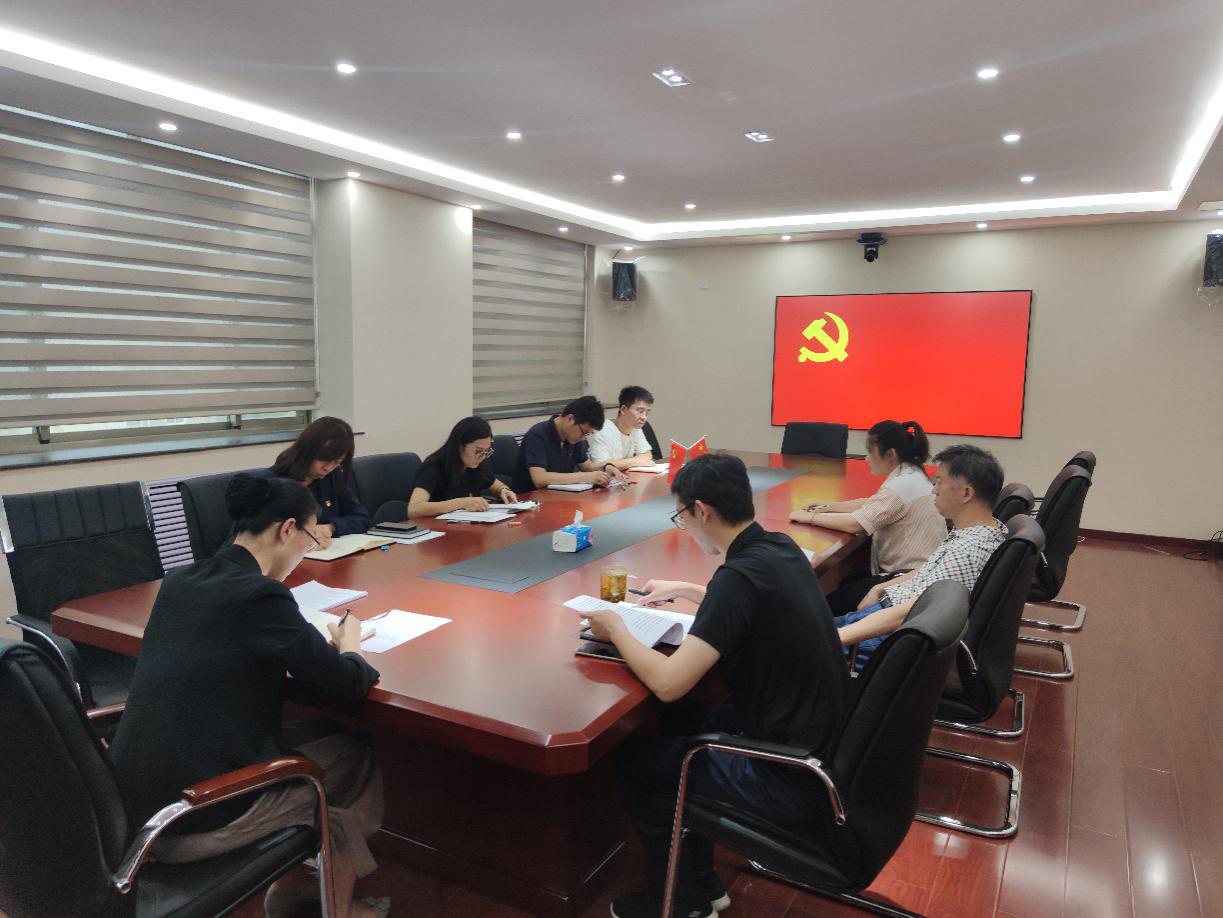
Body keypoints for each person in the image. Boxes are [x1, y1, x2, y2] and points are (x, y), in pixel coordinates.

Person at [580, 453, 849, 918]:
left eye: (681, 516)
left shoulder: (737, 578)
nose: (683, 526)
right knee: (679, 722)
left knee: (636, 761)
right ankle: (702, 882)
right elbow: (755, 607)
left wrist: (616, 628)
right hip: (819, 736)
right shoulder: (778, 547)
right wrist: (688, 590)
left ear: (701, 510)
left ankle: (683, 902)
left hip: (787, 770)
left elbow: (669, 683)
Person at [109, 474, 387, 918]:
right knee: (354, 757)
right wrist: (350, 641)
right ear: (288, 529)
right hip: (194, 815)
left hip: (132, 809)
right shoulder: (261, 595)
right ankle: (334, 905)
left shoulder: (180, 580)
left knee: (323, 735)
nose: (307, 551)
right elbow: (348, 683)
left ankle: (297, 887)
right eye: (311, 539)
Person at [835, 444, 1007, 668]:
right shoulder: (981, 530)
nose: (934, 490)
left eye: (940, 482)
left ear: (966, 493)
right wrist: (879, 588)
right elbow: (928, 571)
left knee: (798, 640)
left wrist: (840, 636)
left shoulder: (968, 552)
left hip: (885, 636)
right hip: (885, 616)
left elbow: (915, 612)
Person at [790, 420, 947, 614]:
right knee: (846, 583)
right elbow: (873, 503)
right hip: (919, 573)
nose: (866, 458)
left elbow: (855, 524)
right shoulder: (912, 474)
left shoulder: (902, 486)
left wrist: (809, 518)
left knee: (828, 603)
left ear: (890, 454)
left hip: (907, 580)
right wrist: (828, 507)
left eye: (870, 452)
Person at [260, 416, 371, 546]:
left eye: (337, 461)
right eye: (324, 459)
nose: (328, 468)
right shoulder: (269, 483)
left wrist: (330, 527)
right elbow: (256, 536)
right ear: (306, 451)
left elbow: (362, 518)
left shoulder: (332, 477)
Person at [408, 416, 519, 517]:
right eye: (478, 451)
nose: (483, 456)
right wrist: (462, 503)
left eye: (487, 451)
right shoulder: (434, 466)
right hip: (436, 527)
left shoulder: (475, 466)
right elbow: (414, 509)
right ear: (460, 446)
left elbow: (497, 486)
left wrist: (503, 490)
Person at [511, 395, 622, 492]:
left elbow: (587, 466)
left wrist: (606, 467)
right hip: (529, 500)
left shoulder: (572, 437)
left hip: (559, 496)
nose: (583, 438)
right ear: (570, 419)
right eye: (584, 433)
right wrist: (585, 477)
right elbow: (539, 479)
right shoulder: (537, 434)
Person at [588, 385, 658, 471]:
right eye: (640, 411)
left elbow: (647, 454)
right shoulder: (603, 431)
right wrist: (635, 461)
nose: (644, 417)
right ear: (623, 409)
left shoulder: (636, 428)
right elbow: (601, 466)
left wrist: (628, 462)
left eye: (647, 413)